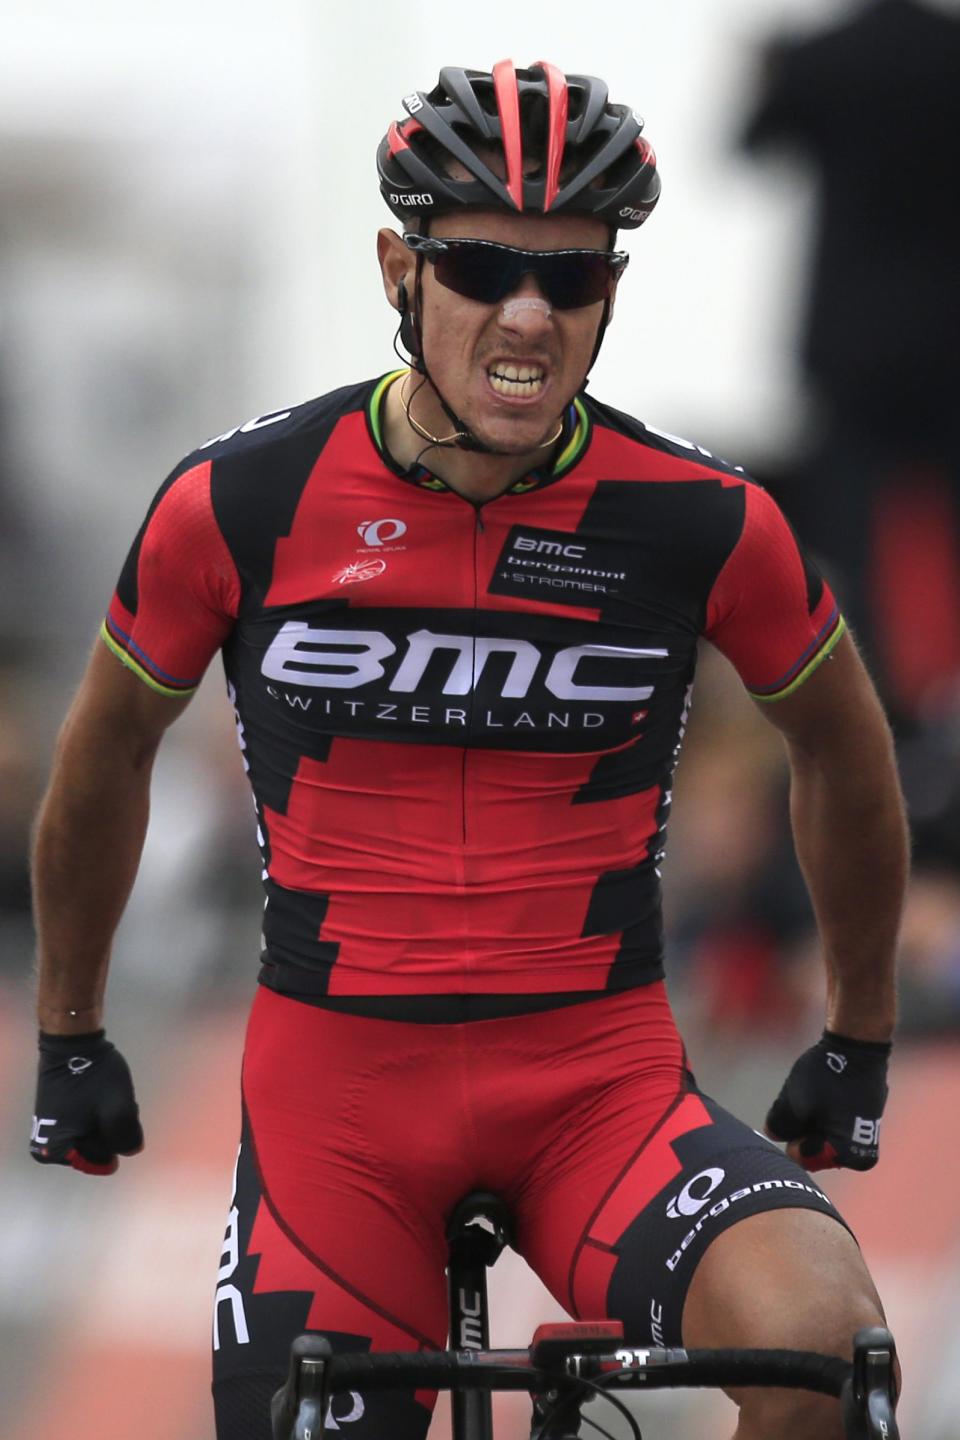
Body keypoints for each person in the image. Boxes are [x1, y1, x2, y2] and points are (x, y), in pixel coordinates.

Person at [29, 61, 907, 1439]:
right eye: (483, 265)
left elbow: (846, 751)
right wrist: (69, 1030)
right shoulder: (239, 502)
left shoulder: (704, 520)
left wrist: (857, 1027)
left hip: (598, 1093)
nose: (526, 315)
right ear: (401, 265)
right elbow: (101, 761)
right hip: (340, 1111)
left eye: (571, 281)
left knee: (826, 1353)